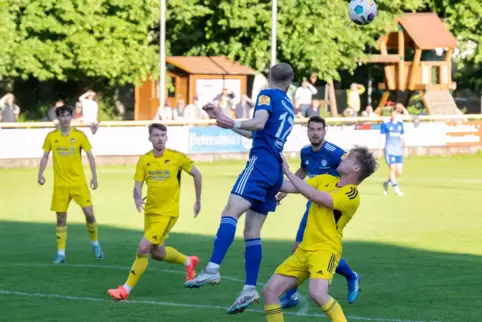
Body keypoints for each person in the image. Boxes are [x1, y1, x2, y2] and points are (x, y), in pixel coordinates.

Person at [184, 63, 295, 314]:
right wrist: (225, 121)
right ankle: (248, 289)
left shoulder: (267, 95)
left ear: (269, 77)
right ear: (290, 81)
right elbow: (257, 132)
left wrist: (229, 118)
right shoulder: (288, 104)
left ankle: (212, 269)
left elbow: (258, 122)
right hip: (274, 168)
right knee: (252, 231)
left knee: (229, 212)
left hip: (260, 164)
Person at [263, 146, 378, 322]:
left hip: (326, 250)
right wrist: (264, 175)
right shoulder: (325, 179)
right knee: (270, 291)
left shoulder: (351, 195)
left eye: (348, 158)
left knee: (317, 293)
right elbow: (290, 186)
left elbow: (317, 197)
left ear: (356, 168)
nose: (342, 158)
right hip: (304, 249)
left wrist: (287, 170)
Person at [107, 123, 203, 301]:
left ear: (166, 138)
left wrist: (198, 201)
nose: (160, 139)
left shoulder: (176, 157)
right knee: (157, 253)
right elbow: (137, 185)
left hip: (167, 213)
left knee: (143, 248)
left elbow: (197, 175)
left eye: (163, 135)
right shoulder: (144, 160)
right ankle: (188, 262)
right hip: (150, 213)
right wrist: (137, 197)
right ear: (150, 138)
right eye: (156, 135)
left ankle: (125, 290)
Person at [275, 116, 360, 309]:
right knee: (300, 249)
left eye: (318, 129)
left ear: (324, 131)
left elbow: (351, 171)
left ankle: (351, 275)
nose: (315, 132)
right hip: (313, 206)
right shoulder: (305, 152)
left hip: (330, 208)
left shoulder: (334, 153)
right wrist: (283, 193)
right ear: (307, 131)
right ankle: (291, 295)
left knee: (320, 250)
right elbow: (303, 171)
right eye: (311, 129)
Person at [37, 105, 103, 264]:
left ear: (71, 117)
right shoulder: (51, 137)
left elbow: (90, 155)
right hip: (60, 185)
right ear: (58, 118)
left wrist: (94, 177)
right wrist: (40, 173)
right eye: (62, 115)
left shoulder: (79, 135)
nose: (65, 118)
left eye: (68, 115)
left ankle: (95, 243)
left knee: (89, 214)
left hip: (78, 183)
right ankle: (61, 254)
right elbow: (45, 156)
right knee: (60, 218)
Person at [380, 107, 406, 196]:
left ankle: (387, 183)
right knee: (392, 169)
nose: (394, 115)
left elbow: (402, 137)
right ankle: (396, 189)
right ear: (391, 114)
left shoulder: (400, 124)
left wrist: (405, 148)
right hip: (389, 150)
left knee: (399, 171)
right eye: (393, 113)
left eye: (396, 113)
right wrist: (380, 149)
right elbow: (382, 137)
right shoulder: (385, 124)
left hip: (398, 151)